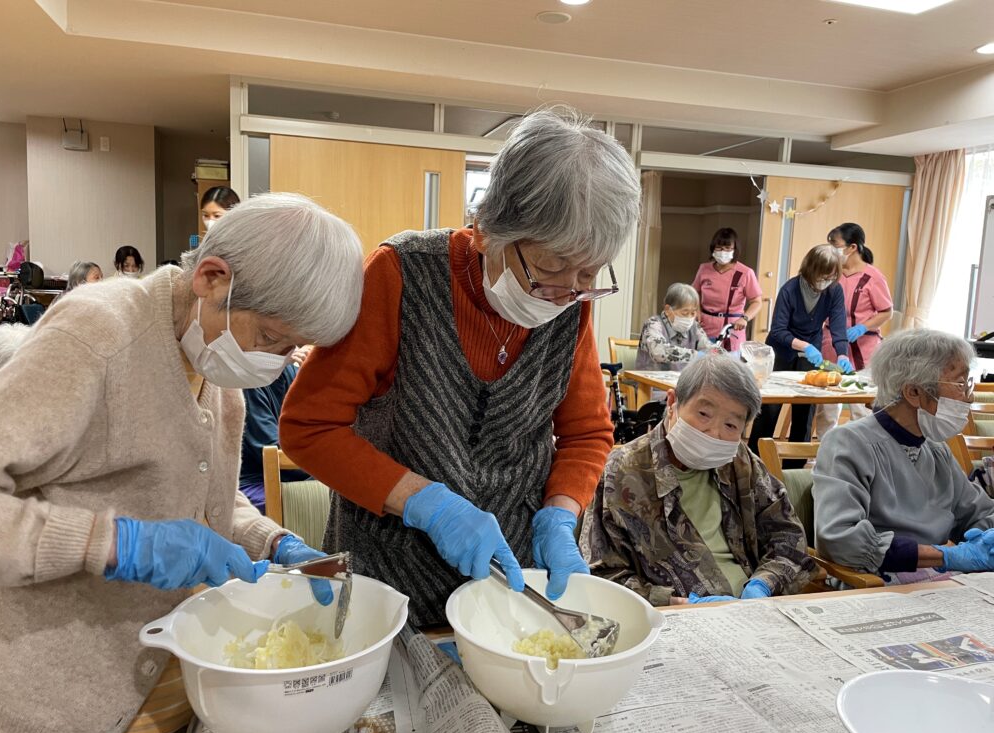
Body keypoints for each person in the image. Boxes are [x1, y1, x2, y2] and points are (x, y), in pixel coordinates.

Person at [0, 193, 364, 733]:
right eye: (270, 338)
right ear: (213, 279)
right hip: (60, 711)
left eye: (292, 348)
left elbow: (215, 501)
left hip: (169, 688)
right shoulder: (98, 337)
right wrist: (120, 544)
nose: (275, 360)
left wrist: (273, 543)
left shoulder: (218, 370)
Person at [280, 108, 641, 626]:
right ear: (488, 230)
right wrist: (427, 503)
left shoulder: (571, 305)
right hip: (388, 580)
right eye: (550, 268)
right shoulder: (400, 276)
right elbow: (308, 428)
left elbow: (586, 432)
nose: (568, 292)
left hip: (512, 583)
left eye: (587, 273)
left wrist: (561, 514)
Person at [580, 355, 815, 605]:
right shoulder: (622, 473)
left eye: (730, 425)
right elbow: (600, 575)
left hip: (753, 609)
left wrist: (763, 585)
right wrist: (673, 603)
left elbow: (788, 535)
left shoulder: (740, 461)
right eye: (704, 414)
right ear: (672, 403)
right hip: (674, 621)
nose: (714, 433)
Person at [814, 329, 994, 581]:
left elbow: (981, 512)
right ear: (913, 393)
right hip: (876, 583)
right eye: (959, 383)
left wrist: (986, 539)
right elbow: (839, 538)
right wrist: (945, 556)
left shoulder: (935, 448)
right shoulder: (848, 443)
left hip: (935, 579)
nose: (969, 396)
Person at [748, 244, 853, 459]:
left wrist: (842, 353)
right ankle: (754, 461)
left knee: (805, 411)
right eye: (822, 275)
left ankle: (794, 467)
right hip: (782, 351)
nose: (826, 281)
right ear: (810, 269)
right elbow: (777, 330)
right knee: (770, 410)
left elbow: (838, 327)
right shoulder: (790, 289)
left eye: (831, 276)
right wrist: (804, 346)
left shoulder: (834, 290)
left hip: (810, 353)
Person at [815, 223, 893, 438]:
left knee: (859, 407)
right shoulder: (831, 273)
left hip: (863, 347)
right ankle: (824, 453)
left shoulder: (873, 277)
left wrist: (862, 328)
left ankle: (860, 455)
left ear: (851, 248)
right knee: (827, 407)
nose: (831, 249)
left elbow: (886, 312)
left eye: (835, 244)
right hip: (831, 344)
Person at [239, 346, 312, 513]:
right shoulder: (248, 381)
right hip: (257, 481)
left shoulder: (293, 372)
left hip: (298, 474)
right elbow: (270, 448)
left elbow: (315, 433)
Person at [635, 282, 713, 400]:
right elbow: (659, 352)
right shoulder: (653, 324)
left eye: (693, 313)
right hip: (652, 390)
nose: (689, 317)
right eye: (685, 313)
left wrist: (722, 355)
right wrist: (697, 355)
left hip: (681, 389)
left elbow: (709, 348)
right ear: (668, 310)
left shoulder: (694, 327)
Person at [692, 227, 763, 352]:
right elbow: (693, 292)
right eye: (719, 248)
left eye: (727, 248)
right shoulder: (704, 269)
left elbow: (757, 301)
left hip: (733, 327)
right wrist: (697, 311)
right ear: (713, 248)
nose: (722, 252)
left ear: (734, 250)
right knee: (705, 363)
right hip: (705, 326)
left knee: (731, 365)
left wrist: (745, 318)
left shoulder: (745, 273)